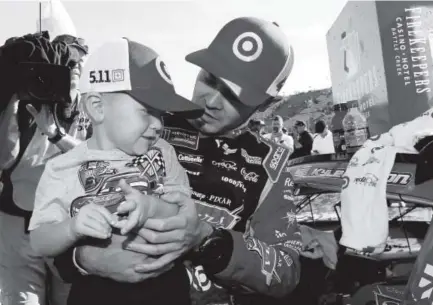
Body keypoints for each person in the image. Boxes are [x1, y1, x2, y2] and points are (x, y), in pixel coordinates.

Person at [54, 17, 303, 305]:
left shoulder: (271, 166)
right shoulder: (135, 119)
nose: (211, 101)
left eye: (234, 96)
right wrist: (86, 258)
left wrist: (208, 240)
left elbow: (286, 273)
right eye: (210, 79)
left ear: (267, 104)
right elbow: (53, 223)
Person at [29, 37, 205, 305]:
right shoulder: (61, 167)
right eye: (147, 110)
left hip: (167, 290)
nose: (158, 124)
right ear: (97, 107)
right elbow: (39, 242)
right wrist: (72, 228)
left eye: (161, 113)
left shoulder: (163, 153)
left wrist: (150, 207)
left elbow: (184, 213)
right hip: (96, 294)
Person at [0, 31, 89, 305]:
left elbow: (98, 158)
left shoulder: (91, 107)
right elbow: (5, 158)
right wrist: (13, 102)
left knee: (70, 298)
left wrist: (55, 135)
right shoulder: (26, 104)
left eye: (78, 63)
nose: (74, 70)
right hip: (17, 223)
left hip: (65, 227)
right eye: (68, 64)